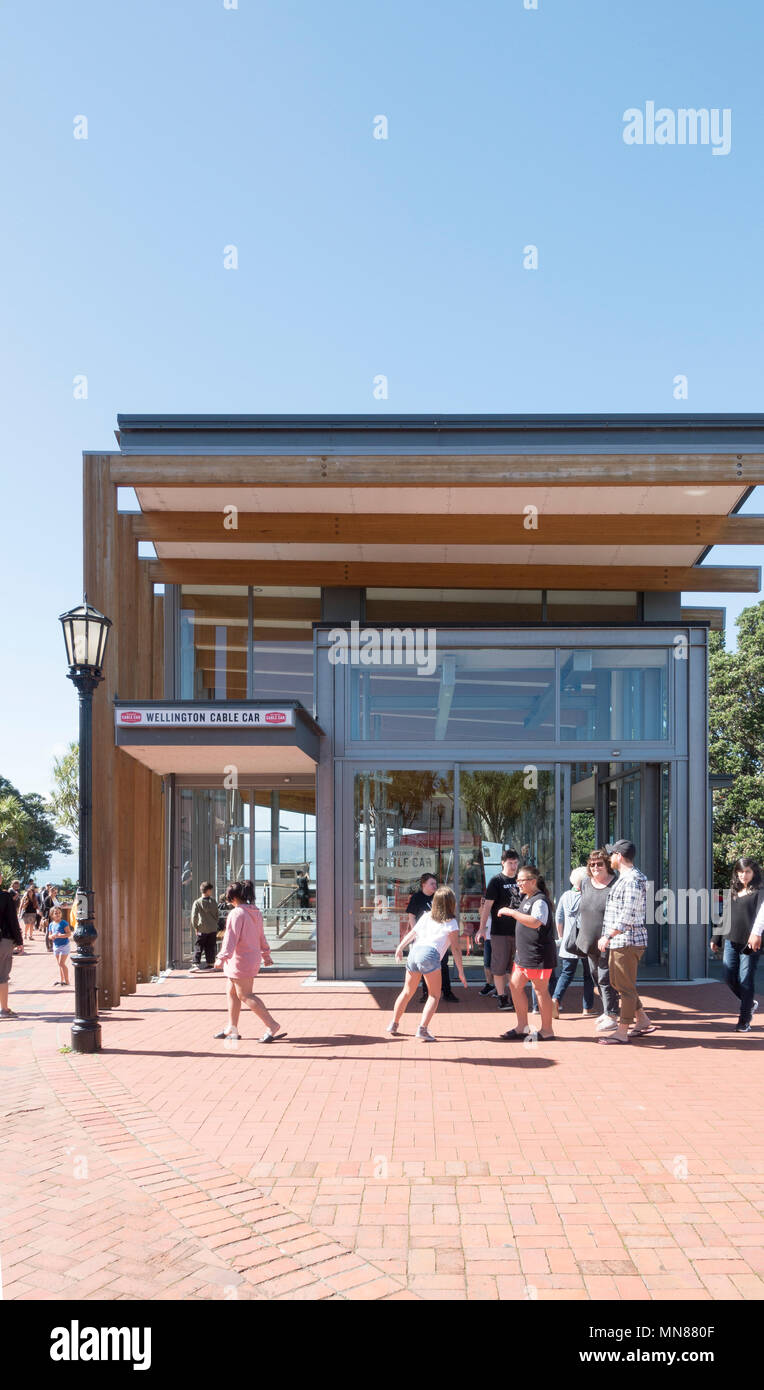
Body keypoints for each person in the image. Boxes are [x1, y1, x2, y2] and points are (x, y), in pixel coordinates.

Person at [388, 886, 467, 1041]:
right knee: (434, 995)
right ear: (451, 903)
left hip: (415, 952)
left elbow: (412, 933)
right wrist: (461, 972)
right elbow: (456, 949)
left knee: (406, 992)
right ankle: (422, 1030)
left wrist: (399, 948)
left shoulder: (426, 916)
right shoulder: (451, 922)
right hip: (430, 955)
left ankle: (393, 1024)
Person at [597, 840, 655, 1045]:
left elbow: (628, 915)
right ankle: (643, 1020)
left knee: (625, 987)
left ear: (619, 856)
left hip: (626, 940)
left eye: (612, 854)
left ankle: (622, 1032)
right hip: (621, 940)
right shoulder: (628, 878)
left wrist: (608, 935)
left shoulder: (632, 880)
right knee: (619, 983)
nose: (609, 858)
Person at [213, 880, 282, 1042]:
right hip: (249, 958)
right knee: (232, 992)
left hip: (239, 960)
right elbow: (260, 936)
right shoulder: (255, 912)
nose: (229, 902)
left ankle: (272, 1024)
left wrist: (221, 958)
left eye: (229, 898)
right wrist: (265, 954)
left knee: (245, 994)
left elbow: (230, 938)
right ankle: (232, 1027)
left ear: (234, 898)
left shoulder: (237, 914)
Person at [497, 865, 557, 1041]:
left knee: (541, 991)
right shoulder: (527, 898)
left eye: (521, 880)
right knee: (515, 986)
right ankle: (522, 1026)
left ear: (533, 881)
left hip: (538, 955)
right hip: (523, 955)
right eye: (518, 880)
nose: (518, 884)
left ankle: (547, 1030)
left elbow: (536, 922)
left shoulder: (540, 900)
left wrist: (511, 913)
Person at [711, 857, 764, 1033]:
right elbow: (725, 916)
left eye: (747, 871)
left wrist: (757, 935)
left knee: (746, 979)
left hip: (750, 942)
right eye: (740, 872)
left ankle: (744, 1019)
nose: (744, 875)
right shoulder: (733, 891)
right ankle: (749, 1001)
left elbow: (760, 918)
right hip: (731, 940)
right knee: (728, 976)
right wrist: (716, 938)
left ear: (754, 872)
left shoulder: (760, 892)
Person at [575, 849, 620, 1031]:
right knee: (595, 975)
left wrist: (610, 935)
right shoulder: (586, 883)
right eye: (592, 864)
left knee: (605, 977)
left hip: (607, 940)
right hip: (588, 940)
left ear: (607, 865)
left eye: (599, 864)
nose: (595, 867)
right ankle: (608, 1010)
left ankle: (612, 1014)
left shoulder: (616, 884)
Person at [476, 849, 522, 1010]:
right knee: (499, 966)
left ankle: (515, 996)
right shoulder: (496, 881)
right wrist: (481, 929)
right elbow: (487, 906)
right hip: (500, 932)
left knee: (515, 967)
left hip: (519, 931)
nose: (514, 866)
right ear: (503, 862)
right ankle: (502, 997)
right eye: (510, 863)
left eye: (516, 863)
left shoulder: (521, 879)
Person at [406, 873, 459, 1004]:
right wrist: (416, 934)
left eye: (435, 884)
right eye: (432, 884)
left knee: (443, 964)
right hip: (423, 937)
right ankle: (426, 993)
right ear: (423, 884)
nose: (435, 886)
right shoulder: (417, 898)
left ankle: (447, 991)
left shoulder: (438, 897)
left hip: (439, 938)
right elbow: (411, 916)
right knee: (424, 966)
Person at [552, 866, 595, 1017]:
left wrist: (562, 936)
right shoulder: (588, 896)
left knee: (566, 974)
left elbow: (559, 917)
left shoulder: (565, 896)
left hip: (568, 944)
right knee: (588, 976)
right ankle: (587, 1008)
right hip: (585, 942)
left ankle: (556, 999)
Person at [0, 876, 24, 1018]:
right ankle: (4, 1009)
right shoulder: (5, 897)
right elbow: (12, 920)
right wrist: (19, 941)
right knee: (2, 975)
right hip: (3, 939)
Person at [190, 881, 219, 971]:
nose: (212, 892)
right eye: (211, 890)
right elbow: (217, 914)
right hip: (213, 928)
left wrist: (196, 927)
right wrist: (215, 924)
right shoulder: (213, 902)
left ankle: (195, 964)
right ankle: (210, 964)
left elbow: (193, 916)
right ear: (208, 891)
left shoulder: (197, 902)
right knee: (210, 946)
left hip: (201, 928)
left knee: (199, 945)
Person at [48, 907, 72, 986]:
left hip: (64, 945)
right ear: (52, 915)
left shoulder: (64, 923)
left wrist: (60, 935)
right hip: (56, 945)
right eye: (56, 913)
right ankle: (62, 980)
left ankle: (67, 981)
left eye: (59, 913)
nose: (58, 914)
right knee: (59, 964)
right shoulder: (51, 924)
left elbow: (69, 934)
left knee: (62, 963)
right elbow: (49, 936)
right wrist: (52, 936)